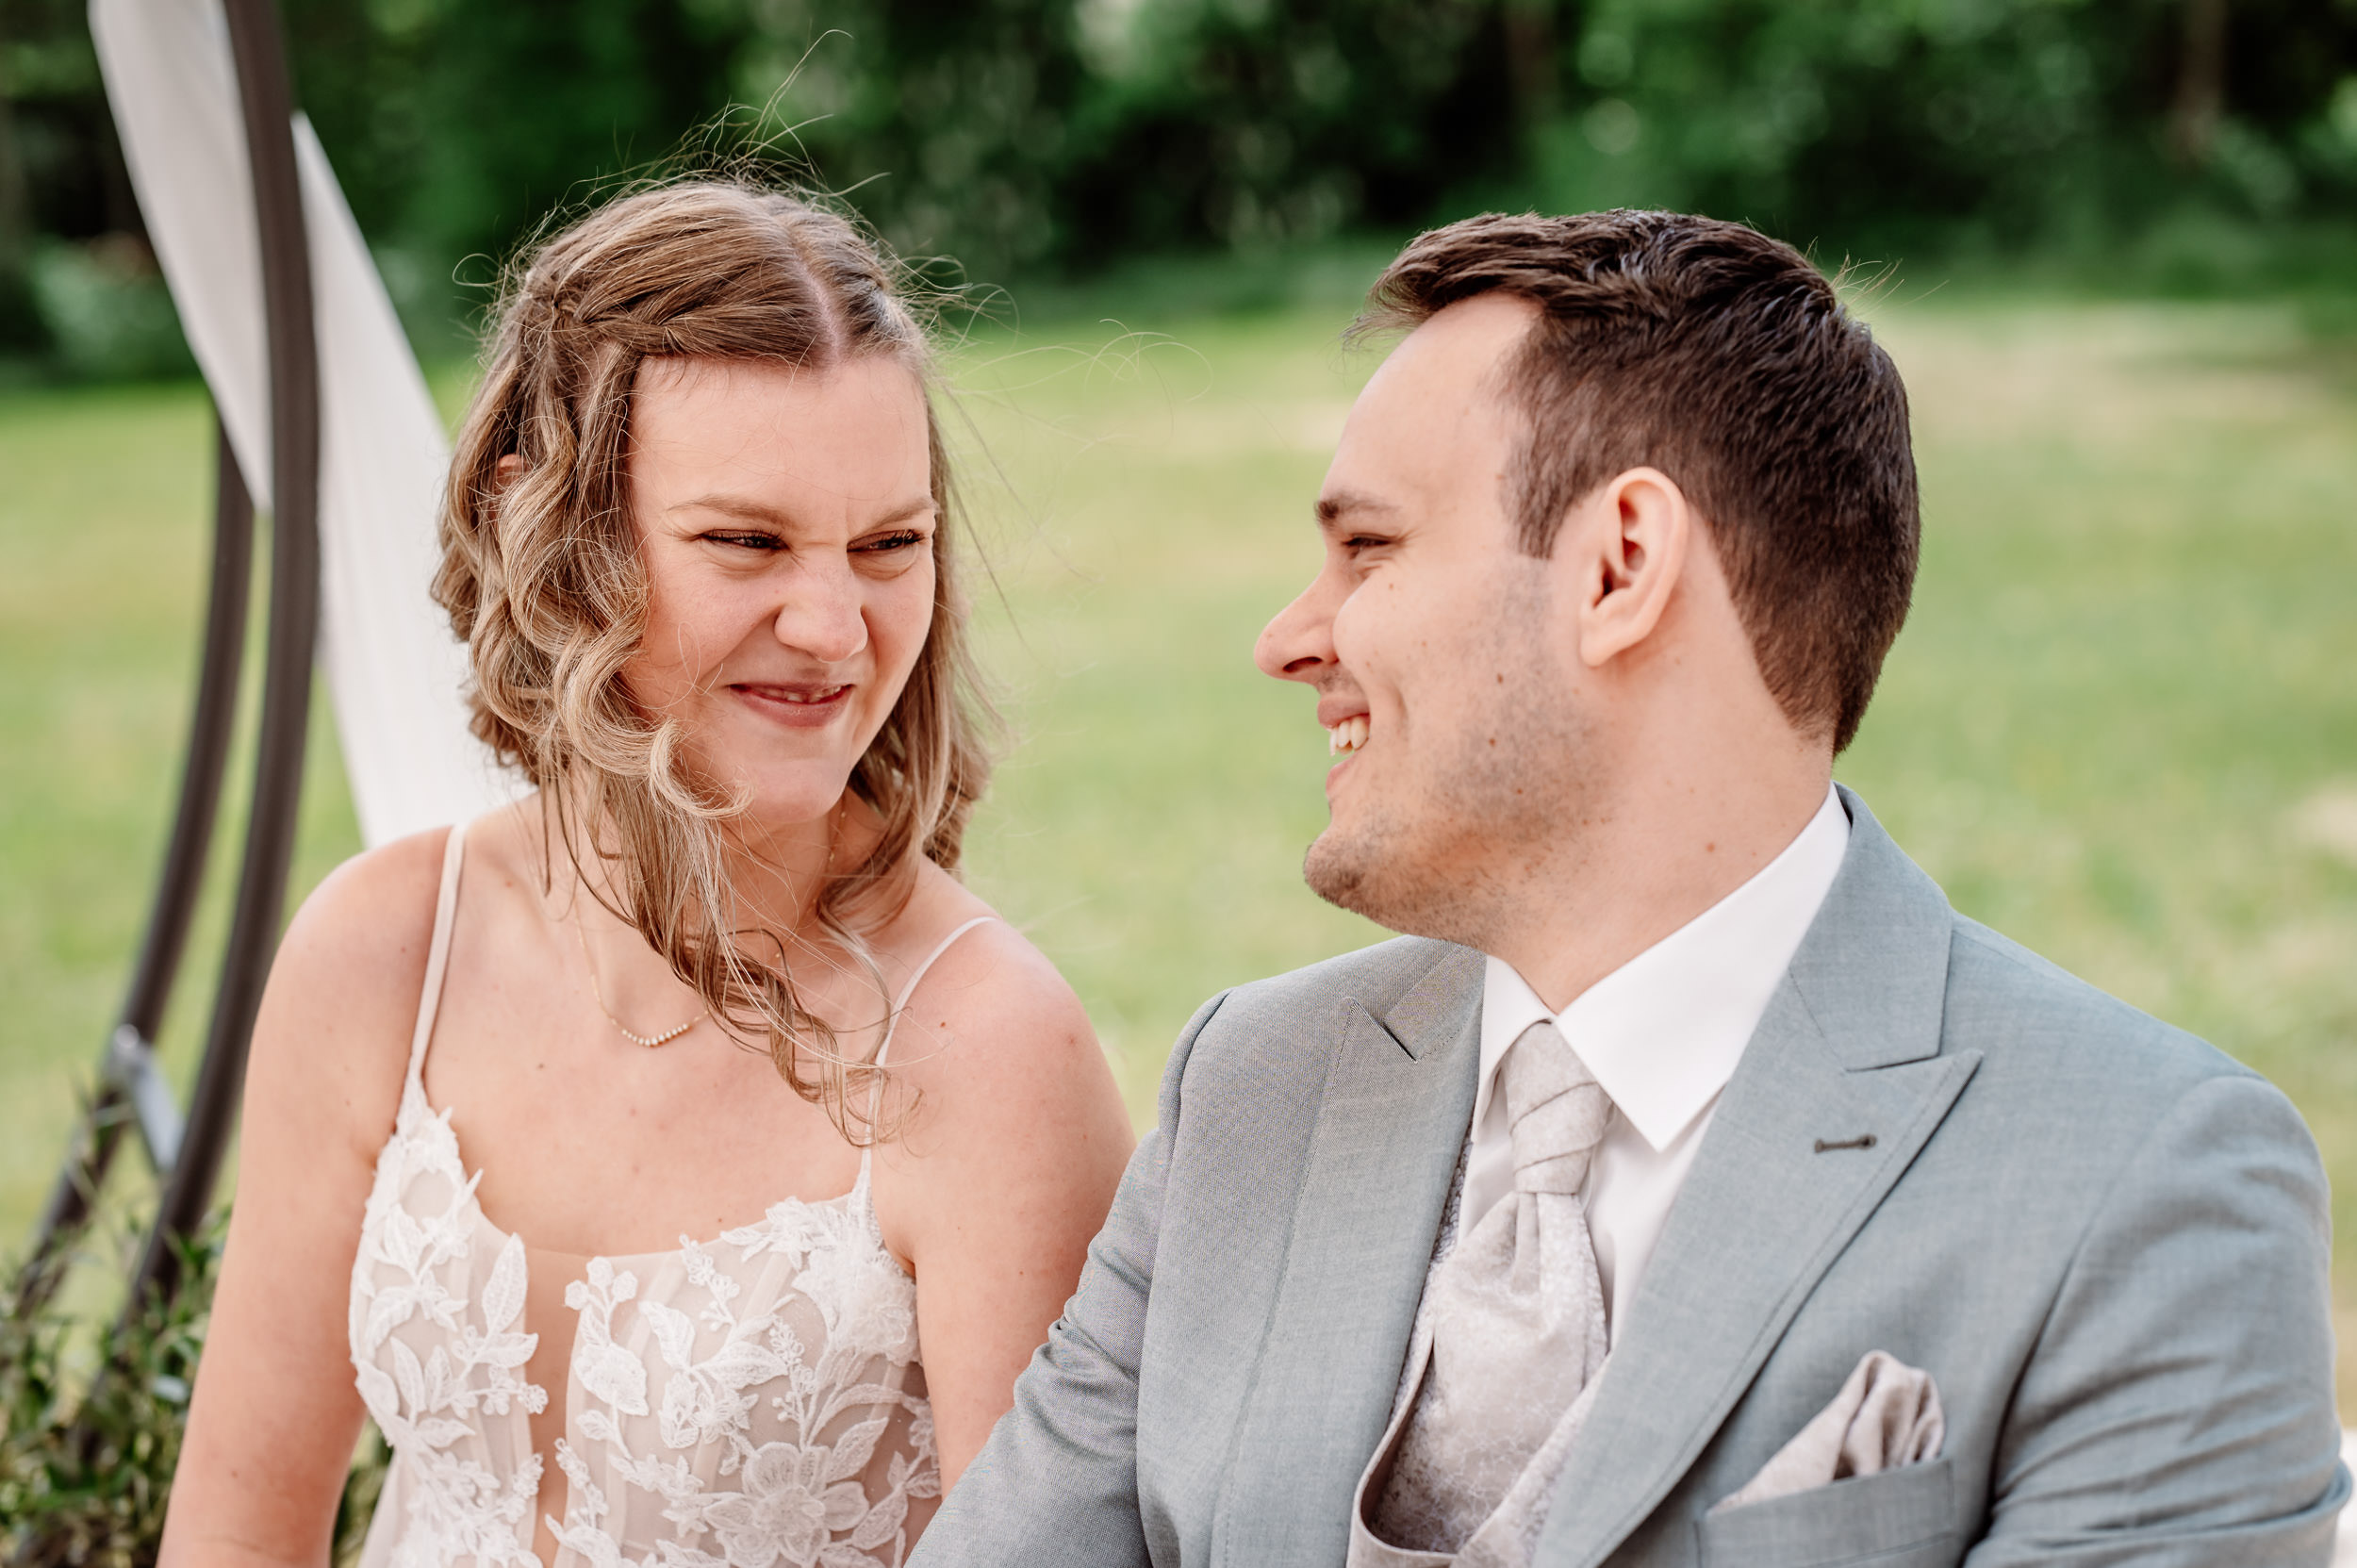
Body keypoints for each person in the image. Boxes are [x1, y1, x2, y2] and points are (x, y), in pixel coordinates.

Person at [912, 210, 2348, 1566]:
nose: (1289, 638)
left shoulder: (2146, 1192)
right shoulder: (1253, 1089)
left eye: (1369, 548)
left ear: (1618, 567)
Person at [159, 181, 1134, 1568]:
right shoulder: (382, 952)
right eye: (746, 540)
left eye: (888, 545)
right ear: (553, 535)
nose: (833, 625)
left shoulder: (992, 1056)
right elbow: (235, 1534)